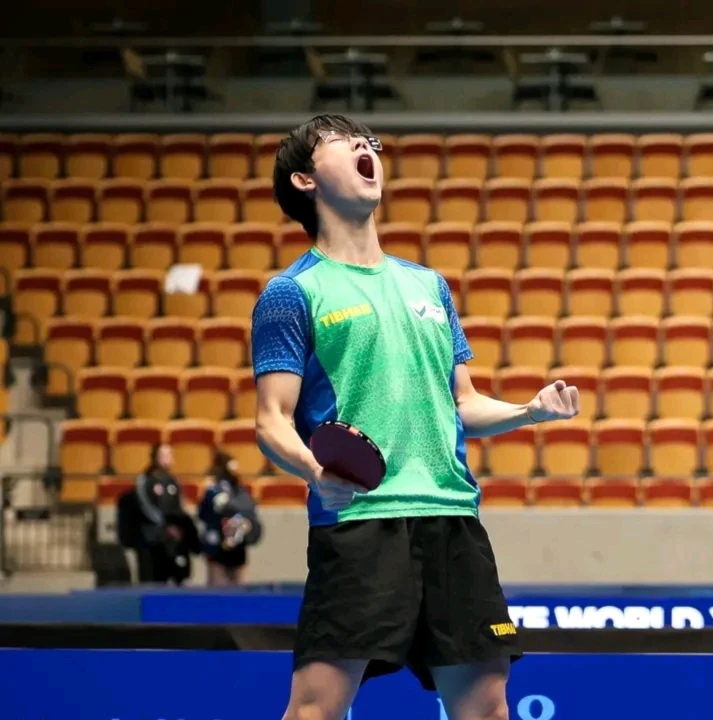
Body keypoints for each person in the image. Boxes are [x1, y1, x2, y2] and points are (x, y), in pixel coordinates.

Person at [251, 114, 580, 720]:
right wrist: (312, 469)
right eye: (340, 142)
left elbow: (462, 404)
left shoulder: (429, 285)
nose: (363, 146)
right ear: (304, 179)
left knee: (486, 707)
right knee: (316, 708)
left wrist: (529, 412)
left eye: (367, 141)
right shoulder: (291, 293)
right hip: (360, 522)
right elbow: (271, 419)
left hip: (452, 517)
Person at [130, 443, 199, 585]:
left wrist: (178, 527)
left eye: (170, 455)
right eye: (164, 455)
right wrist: (164, 526)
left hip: (172, 540)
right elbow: (145, 506)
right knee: (151, 582)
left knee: (176, 579)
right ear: (155, 458)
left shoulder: (173, 481)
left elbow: (180, 506)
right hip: (151, 541)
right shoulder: (145, 480)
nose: (168, 458)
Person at [198, 450, 262, 586]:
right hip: (217, 548)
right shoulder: (212, 488)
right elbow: (204, 513)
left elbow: (249, 510)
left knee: (240, 591)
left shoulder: (241, 490)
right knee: (218, 592)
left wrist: (246, 524)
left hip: (238, 549)